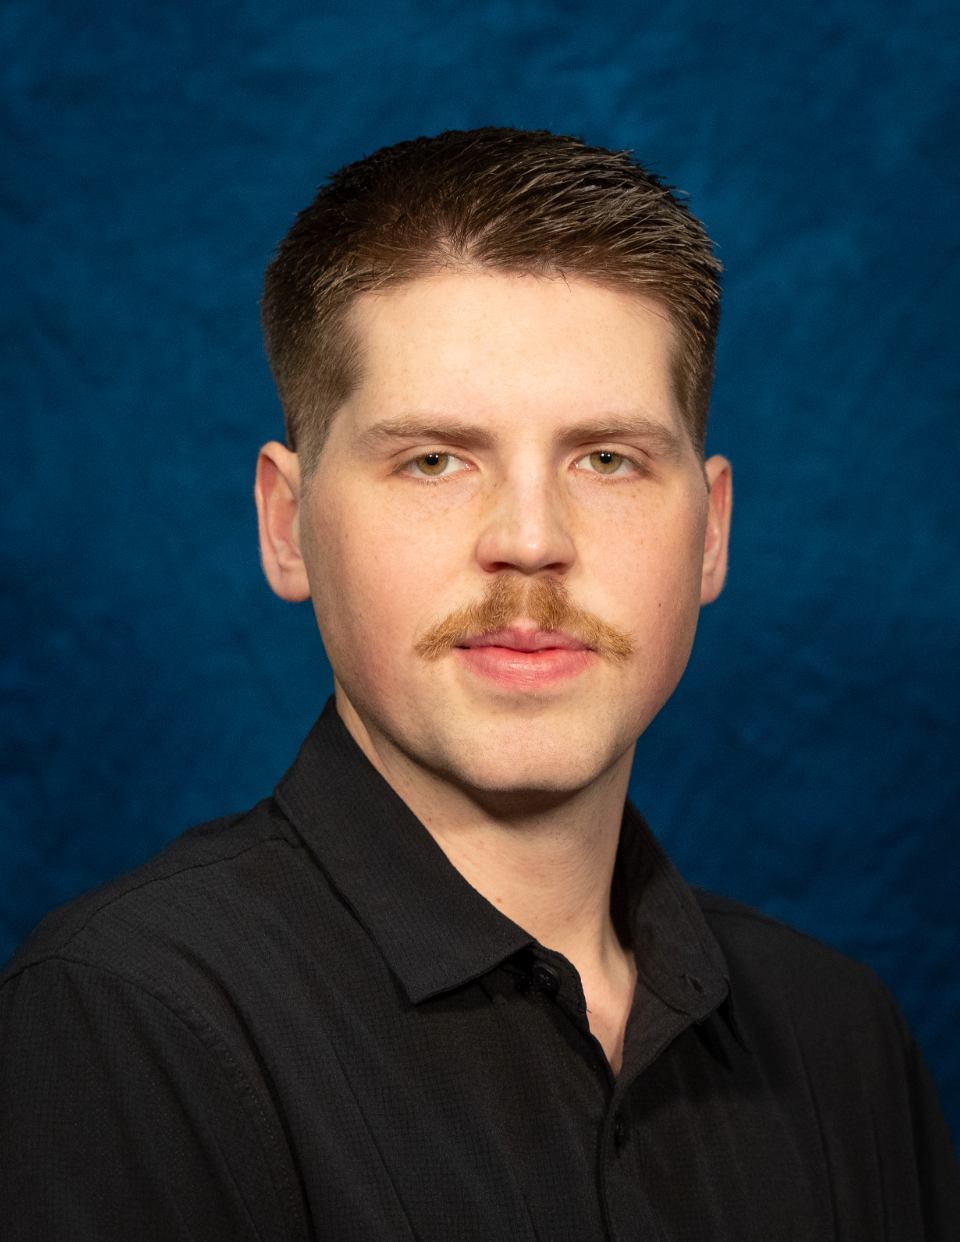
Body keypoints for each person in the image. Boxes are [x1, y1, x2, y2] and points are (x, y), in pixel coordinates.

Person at [1, 127, 957, 1240]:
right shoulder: (128, 1019)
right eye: (435, 460)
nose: (532, 542)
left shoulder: (842, 1040)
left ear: (712, 534)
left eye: (607, 459)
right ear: (287, 525)